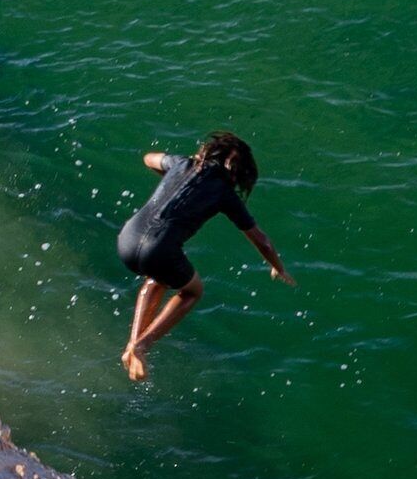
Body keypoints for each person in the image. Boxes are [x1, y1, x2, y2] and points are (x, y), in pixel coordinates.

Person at [117, 129, 291, 380]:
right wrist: (278, 267)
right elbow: (262, 240)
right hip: (159, 251)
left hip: (126, 239)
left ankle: (132, 347)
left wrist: (169, 175)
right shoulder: (224, 193)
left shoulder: (180, 163)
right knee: (192, 291)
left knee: (156, 277)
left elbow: (148, 158)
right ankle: (141, 346)